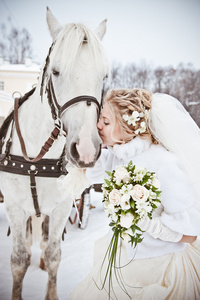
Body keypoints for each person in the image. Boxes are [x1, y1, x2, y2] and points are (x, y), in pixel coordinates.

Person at [69, 88, 200, 300]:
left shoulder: (164, 163)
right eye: (99, 119)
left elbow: (190, 232)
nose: (98, 126)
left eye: (106, 121)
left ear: (128, 126)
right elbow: (93, 168)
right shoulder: (117, 155)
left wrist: (150, 225)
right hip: (124, 257)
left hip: (158, 267)